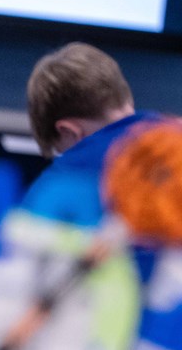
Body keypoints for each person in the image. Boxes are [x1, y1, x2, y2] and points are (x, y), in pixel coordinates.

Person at [19, 42, 168, 226]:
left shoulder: (65, 178)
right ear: (126, 97)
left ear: (68, 131)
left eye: (61, 150)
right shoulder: (175, 139)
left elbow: (24, 243)